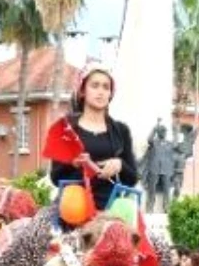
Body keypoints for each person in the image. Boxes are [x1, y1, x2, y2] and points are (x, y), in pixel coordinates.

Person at [48, 67, 138, 212]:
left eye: (106, 87)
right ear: (83, 91)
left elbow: (132, 178)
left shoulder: (121, 131)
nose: (101, 92)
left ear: (110, 94)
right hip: (73, 212)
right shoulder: (65, 129)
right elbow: (55, 177)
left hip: (111, 213)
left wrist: (120, 164)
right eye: (95, 86)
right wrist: (72, 163)